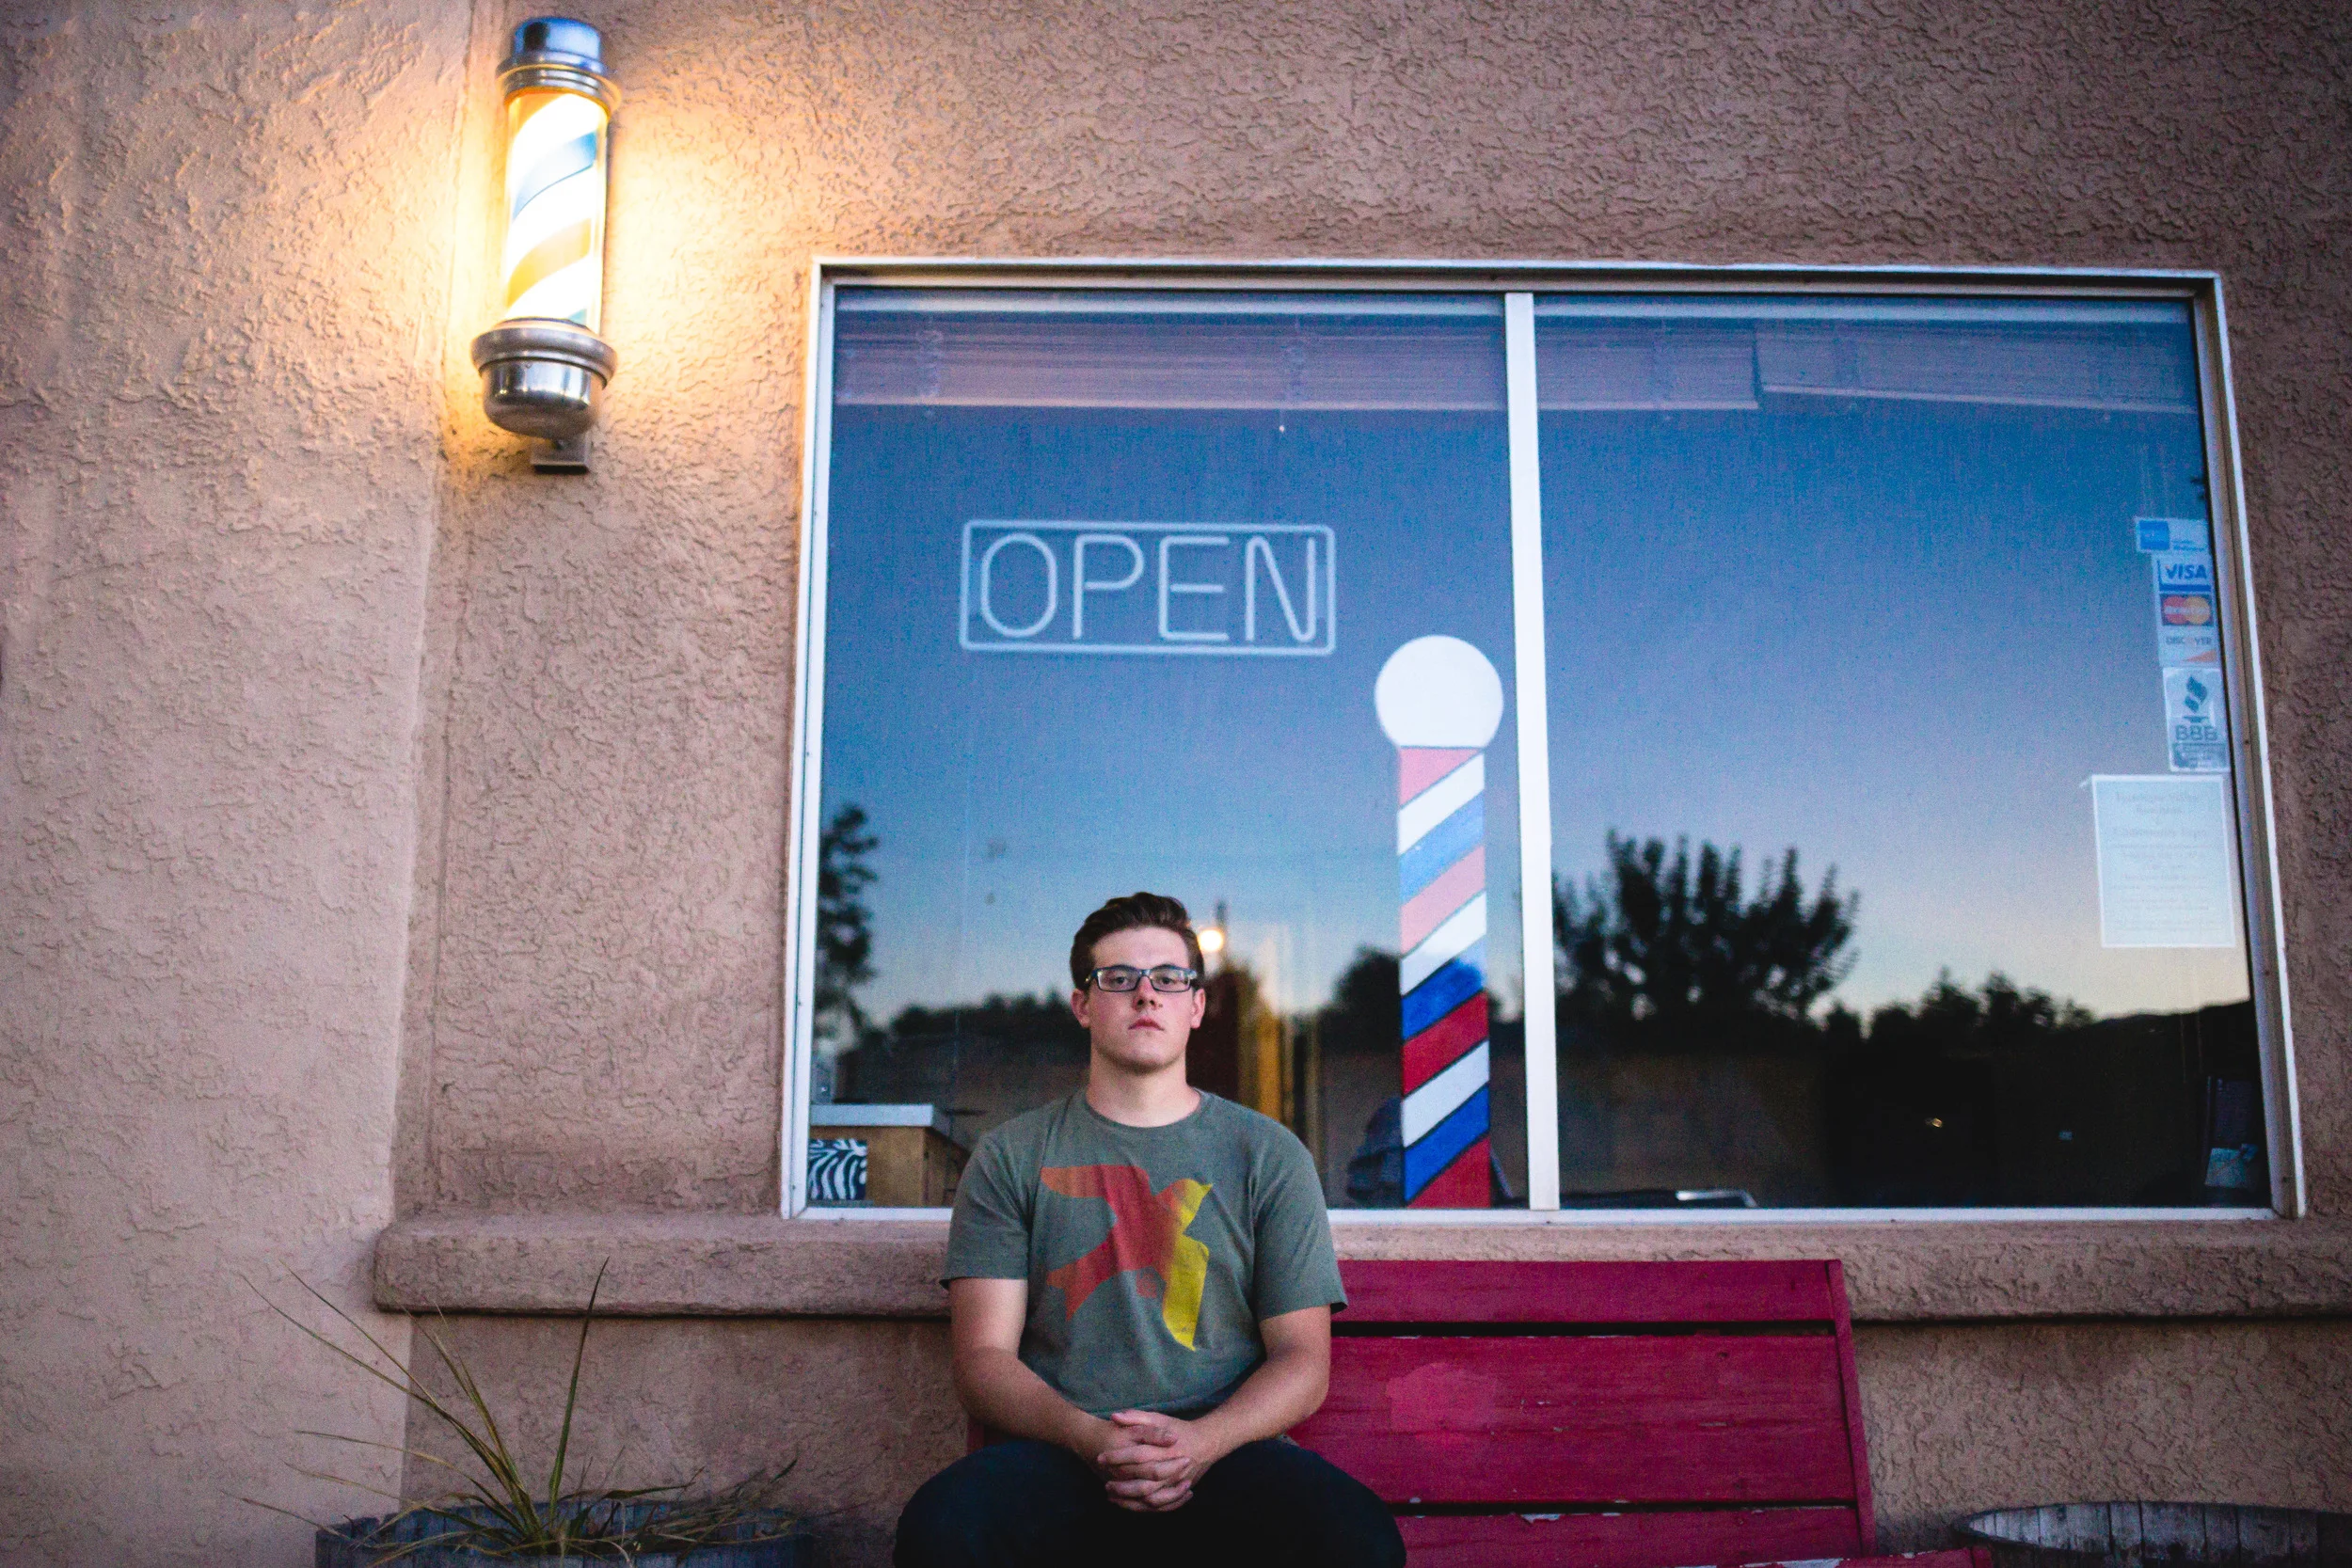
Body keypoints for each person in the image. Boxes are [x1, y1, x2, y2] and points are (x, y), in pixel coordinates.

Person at [894, 892, 1405, 1568]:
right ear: (1083, 1004)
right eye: (1118, 978)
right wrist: (1092, 1437)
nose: (1145, 994)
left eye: (1169, 978)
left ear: (1197, 1005)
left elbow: (1304, 1362)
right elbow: (983, 1361)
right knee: (941, 1530)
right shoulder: (1013, 1155)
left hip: (1228, 1457)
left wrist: (1201, 1442)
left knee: (1359, 1542)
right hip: (1062, 1454)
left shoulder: (1267, 1154)